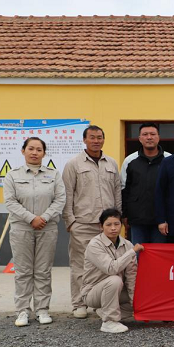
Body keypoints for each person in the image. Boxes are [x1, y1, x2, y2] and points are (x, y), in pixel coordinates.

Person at [3, 137, 66, 327]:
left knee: (43, 270)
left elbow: (60, 199)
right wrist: (31, 218)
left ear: (44, 153)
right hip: (21, 228)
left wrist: (44, 218)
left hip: (47, 228)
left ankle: (42, 309)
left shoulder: (54, 174)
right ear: (23, 151)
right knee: (23, 271)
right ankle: (22, 311)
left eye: (39, 149)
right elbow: (10, 201)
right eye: (31, 148)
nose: (35, 153)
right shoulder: (12, 175)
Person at [63, 125, 122, 319]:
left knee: (106, 265)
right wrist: (70, 222)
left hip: (108, 226)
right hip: (83, 223)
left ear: (103, 139)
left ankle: (100, 302)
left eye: (99, 137)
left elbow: (117, 192)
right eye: (92, 137)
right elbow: (67, 193)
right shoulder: (74, 164)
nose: (96, 141)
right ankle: (79, 303)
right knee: (80, 265)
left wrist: (117, 219)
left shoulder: (111, 163)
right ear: (84, 140)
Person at [81, 209, 143, 334]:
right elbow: (111, 269)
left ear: (122, 225)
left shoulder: (128, 245)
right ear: (101, 226)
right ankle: (109, 321)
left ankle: (105, 311)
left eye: (116, 224)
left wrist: (135, 302)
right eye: (108, 224)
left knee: (141, 298)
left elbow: (131, 276)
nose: (113, 228)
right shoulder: (95, 245)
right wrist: (131, 253)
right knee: (115, 280)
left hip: (116, 290)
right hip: (93, 293)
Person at [120, 122, 171, 246]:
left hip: (162, 221)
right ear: (139, 138)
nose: (149, 137)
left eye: (152, 134)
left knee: (159, 254)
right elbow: (124, 189)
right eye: (145, 134)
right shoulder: (130, 160)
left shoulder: (169, 160)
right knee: (138, 254)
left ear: (158, 137)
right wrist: (124, 215)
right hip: (137, 220)